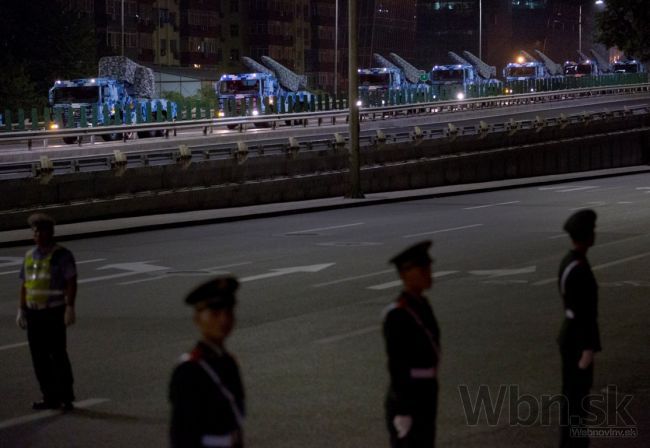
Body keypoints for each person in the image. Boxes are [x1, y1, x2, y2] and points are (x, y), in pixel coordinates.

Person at [169, 277, 245, 448]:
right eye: (215, 313)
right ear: (197, 318)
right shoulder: (189, 370)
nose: (224, 320)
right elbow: (182, 436)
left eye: (229, 312)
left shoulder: (228, 361)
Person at [16, 213, 77, 411]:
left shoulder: (61, 254)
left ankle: (66, 397)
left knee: (58, 355)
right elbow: (25, 284)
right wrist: (21, 309)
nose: (37, 234)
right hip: (34, 314)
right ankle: (49, 396)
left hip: (53, 311)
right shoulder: (29, 255)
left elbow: (71, 282)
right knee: (39, 358)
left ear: (50, 232)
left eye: (41, 230)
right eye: (34, 231)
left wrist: (69, 307)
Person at [383, 241, 441, 448]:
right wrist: (403, 410)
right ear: (406, 273)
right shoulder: (399, 313)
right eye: (422, 269)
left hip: (426, 392)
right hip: (409, 398)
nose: (428, 273)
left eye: (428, 267)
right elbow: (397, 365)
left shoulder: (422, 305)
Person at [557, 209, 601, 448]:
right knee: (576, 399)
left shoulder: (572, 261)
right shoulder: (577, 268)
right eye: (592, 231)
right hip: (577, 342)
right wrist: (587, 348)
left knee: (575, 399)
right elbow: (580, 312)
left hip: (573, 338)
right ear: (586, 235)